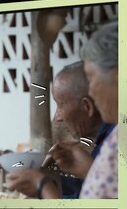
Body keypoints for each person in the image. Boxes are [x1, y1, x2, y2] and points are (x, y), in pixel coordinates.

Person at [5, 62, 115, 198]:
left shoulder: (114, 146)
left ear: (87, 106)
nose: (57, 118)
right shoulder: (105, 141)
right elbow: (86, 191)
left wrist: (42, 185)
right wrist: (51, 179)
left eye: (60, 106)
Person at [49, 22, 118, 199]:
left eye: (92, 78)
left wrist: (42, 187)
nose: (91, 91)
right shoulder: (113, 136)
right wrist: (88, 169)